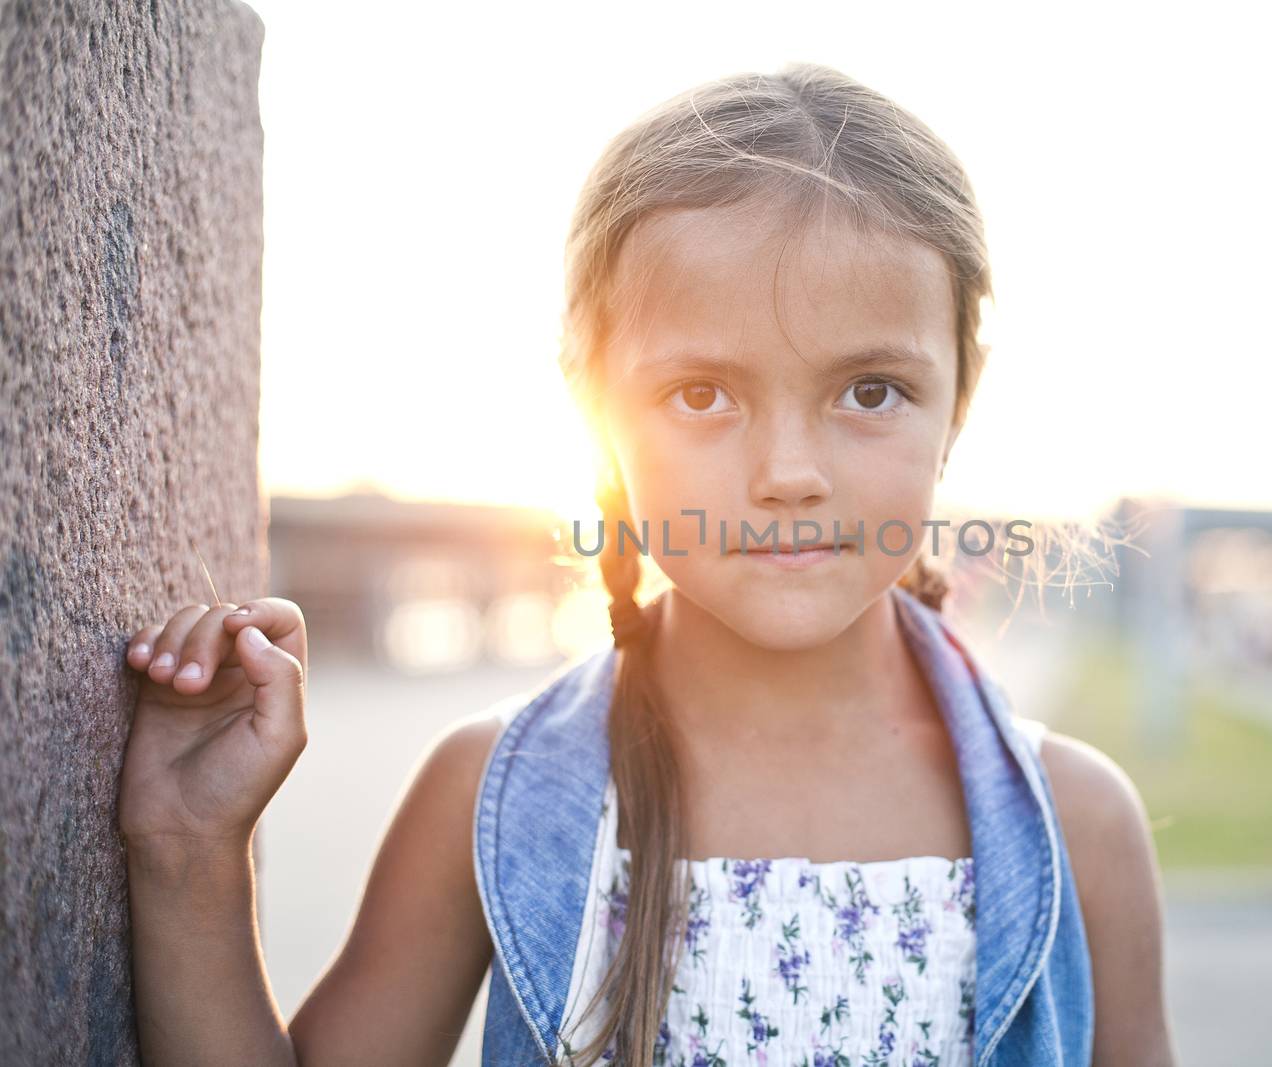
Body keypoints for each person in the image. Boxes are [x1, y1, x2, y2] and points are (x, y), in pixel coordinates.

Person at [120, 62, 1175, 1066]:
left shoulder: (1077, 823)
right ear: (593, 407)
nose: (789, 473)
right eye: (702, 394)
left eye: (869, 389)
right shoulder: (498, 793)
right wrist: (187, 846)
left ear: (962, 395)